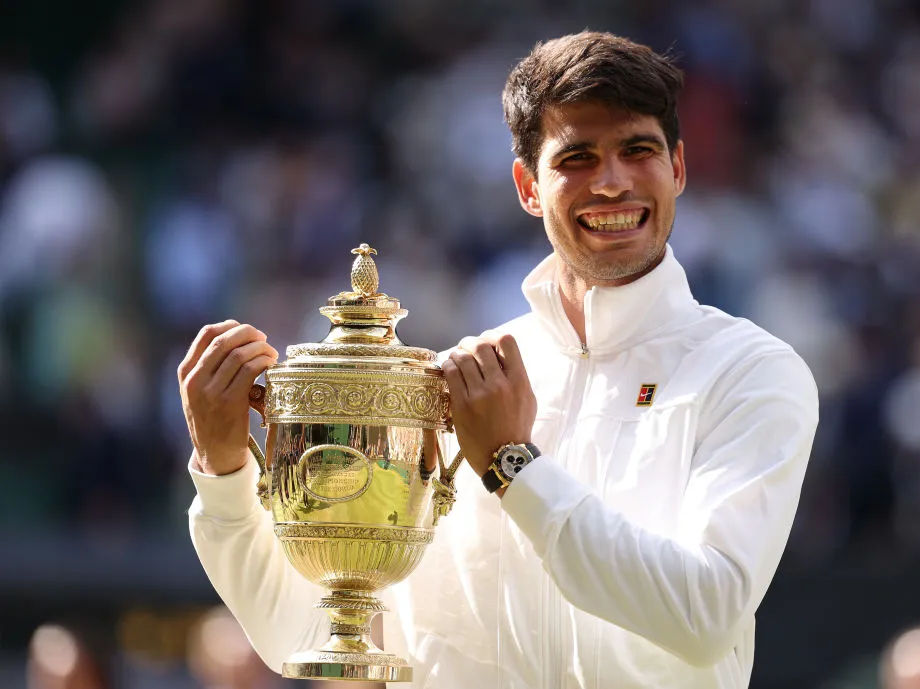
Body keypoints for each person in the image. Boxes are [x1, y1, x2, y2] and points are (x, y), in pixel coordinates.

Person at [182, 31, 819, 689]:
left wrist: (513, 466)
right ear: (527, 186)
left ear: (678, 169)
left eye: (638, 150)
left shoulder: (751, 371)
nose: (612, 181)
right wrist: (224, 470)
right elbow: (316, 633)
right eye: (576, 157)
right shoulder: (453, 384)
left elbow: (703, 613)